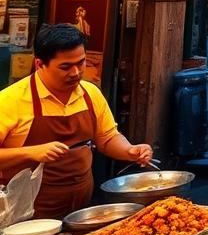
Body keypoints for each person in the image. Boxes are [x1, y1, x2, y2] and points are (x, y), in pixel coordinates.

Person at [0, 25, 153, 218]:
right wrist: (32, 152)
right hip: (26, 214)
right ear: (39, 64)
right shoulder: (10, 100)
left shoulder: (90, 93)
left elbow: (107, 138)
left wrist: (129, 150)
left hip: (81, 210)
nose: (75, 72)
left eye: (81, 63)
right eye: (65, 67)